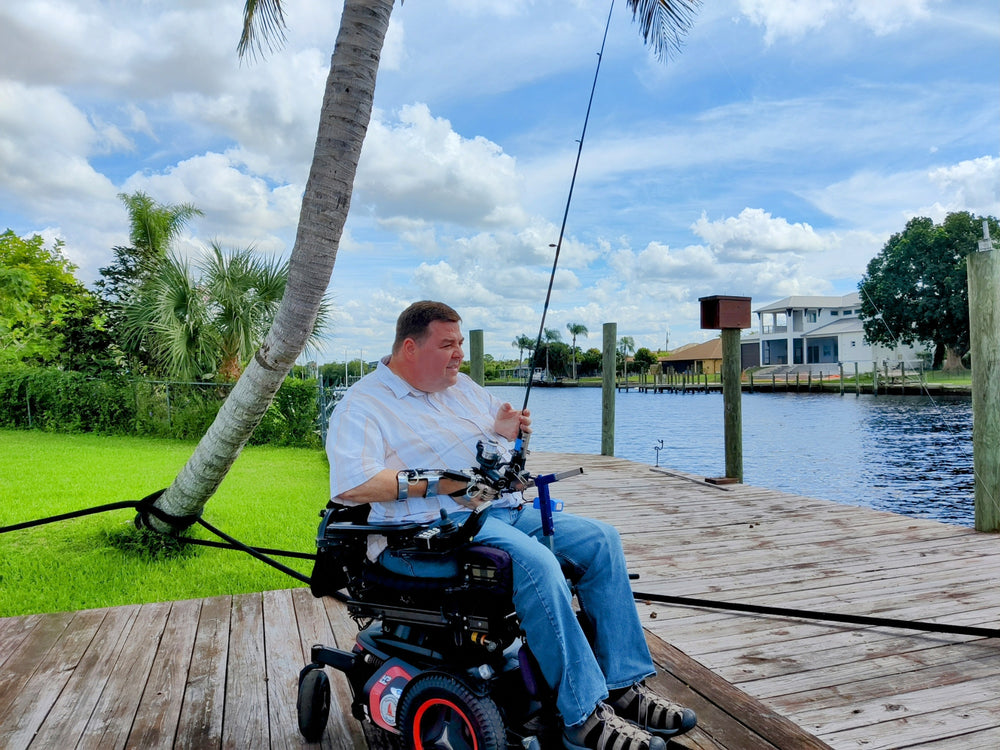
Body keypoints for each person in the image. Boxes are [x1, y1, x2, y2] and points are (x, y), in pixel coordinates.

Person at [326, 300, 696, 750]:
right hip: (429, 534)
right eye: (447, 345)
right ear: (410, 348)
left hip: (500, 511)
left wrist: (506, 433)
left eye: (460, 343)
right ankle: (582, 717)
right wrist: (440, 484)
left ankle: (622, 685)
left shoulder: (461, 388)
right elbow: (352, 484)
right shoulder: (363, 404)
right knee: (536, 564)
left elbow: (500, 457)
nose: (459, 354)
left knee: (601, 541)